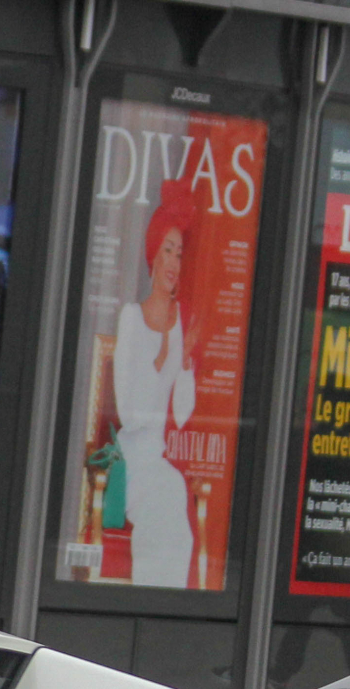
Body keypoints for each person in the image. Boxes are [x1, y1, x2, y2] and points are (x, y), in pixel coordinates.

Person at [112, 181, 207, 588]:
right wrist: (162, 358)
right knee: (163, 502)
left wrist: (184, 363)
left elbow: (182, 415)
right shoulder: (131, 318)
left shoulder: (181, 324)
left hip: (159, 462)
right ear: (154, 255)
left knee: (176, 512)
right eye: (168, 249)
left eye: (180, 253)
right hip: (132, 462)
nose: (174, 261)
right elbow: (128, 414)